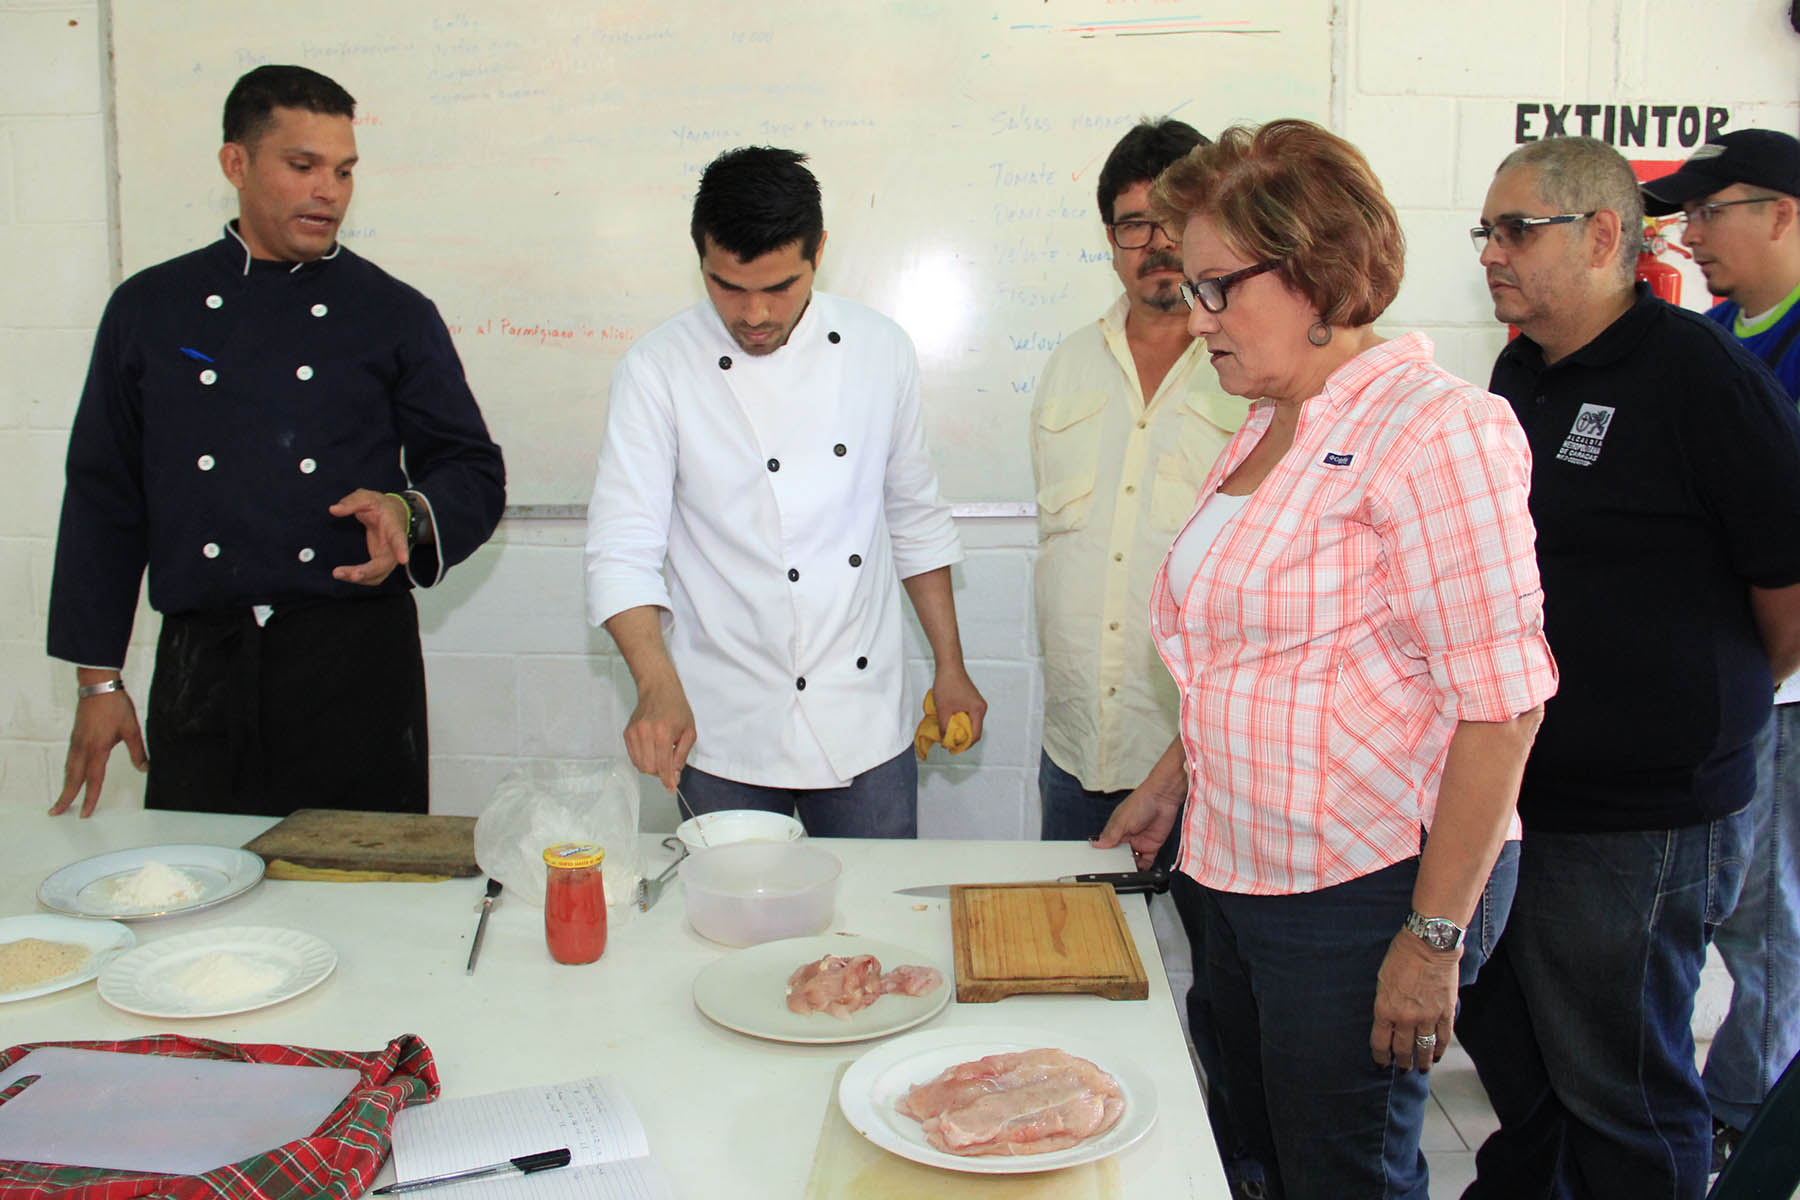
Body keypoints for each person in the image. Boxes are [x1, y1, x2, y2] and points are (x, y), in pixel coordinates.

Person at [1096, 119, 1556, 1200]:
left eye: (1217, 288)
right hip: (1238, 864)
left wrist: (1431, 940)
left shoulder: (1436, 430)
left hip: (1368, 887)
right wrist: (1172, 783)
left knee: (1340, 1173)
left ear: (1313, 274)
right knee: (1248, 1145)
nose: (1195, 314)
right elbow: (1246, 656)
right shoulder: (1266, 421)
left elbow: (1503, 708)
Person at [1458, 135, 1800, 1200]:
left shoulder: (1700, 374)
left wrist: (1697, 712)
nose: (1491, 254)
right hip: (1524, 793)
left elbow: (1785, 589)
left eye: (1518, 229)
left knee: (1628, 1095)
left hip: (1642, 815)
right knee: (1524, 1057)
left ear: (1604, 236)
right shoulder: (1521, 369)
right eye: (1486, 231)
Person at [47, 65, 505, 819]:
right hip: (204, 664)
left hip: (353, 665)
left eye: (344, 170)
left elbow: (470, 468)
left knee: (360, 899)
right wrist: (99, 682)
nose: (329, 190)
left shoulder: (390, 312)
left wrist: (409, 511)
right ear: (237, 163)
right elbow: (104, 498)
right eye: (303, 166)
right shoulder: (150, 310)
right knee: (199, 896)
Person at [584, 147, 985, 837]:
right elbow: (622, 549)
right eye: (728, 287)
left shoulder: (880, 349)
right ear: (700, 259)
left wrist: (951, 666)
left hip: (864, 720)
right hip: (720, 724)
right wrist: (655, 683)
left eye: (780, 285)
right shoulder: (656, 370)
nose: (755, 313)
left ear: (819, 251)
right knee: (727, 936)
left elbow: (913, 517)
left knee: (872, 925)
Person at [1645, 127, 1800, 1172]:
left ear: (1786, 211)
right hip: (1709, 690)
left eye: (1714, 211)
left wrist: (1763, 676)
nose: (1693, 235)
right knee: (1708, 915)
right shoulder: (1715, 336)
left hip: (1778, 695)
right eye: (1686, 215)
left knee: (1766, 920)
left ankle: (1748, 1122)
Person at [1032, 116, 1245, 841]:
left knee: (1214, 959)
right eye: (1132, 225)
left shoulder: (1251, 369)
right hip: (1077, 748)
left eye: (1172, 223)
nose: (1156, 244)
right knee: (1067, 952)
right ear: (1110, 238)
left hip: (1208, 759)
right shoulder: (1069, 364)